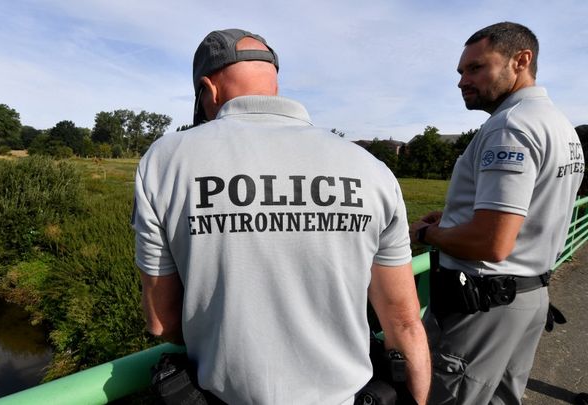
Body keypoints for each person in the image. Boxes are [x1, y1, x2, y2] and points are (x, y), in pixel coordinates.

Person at [132, 28, 430, 404]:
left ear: (209, 90)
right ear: (273, 82)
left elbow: (162, 321)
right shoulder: (372, 170)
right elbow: (404, 323)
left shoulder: (164, 162)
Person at [410, 22, 584, 404]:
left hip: (481, 309)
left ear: (521, 61)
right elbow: (532, 207)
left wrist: (425, 235)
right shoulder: (560, 126)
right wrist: (455, 220)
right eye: (460, 72)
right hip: (528, 296)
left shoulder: (510, 127)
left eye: (476, 68)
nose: (462, 81)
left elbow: (492, 242)